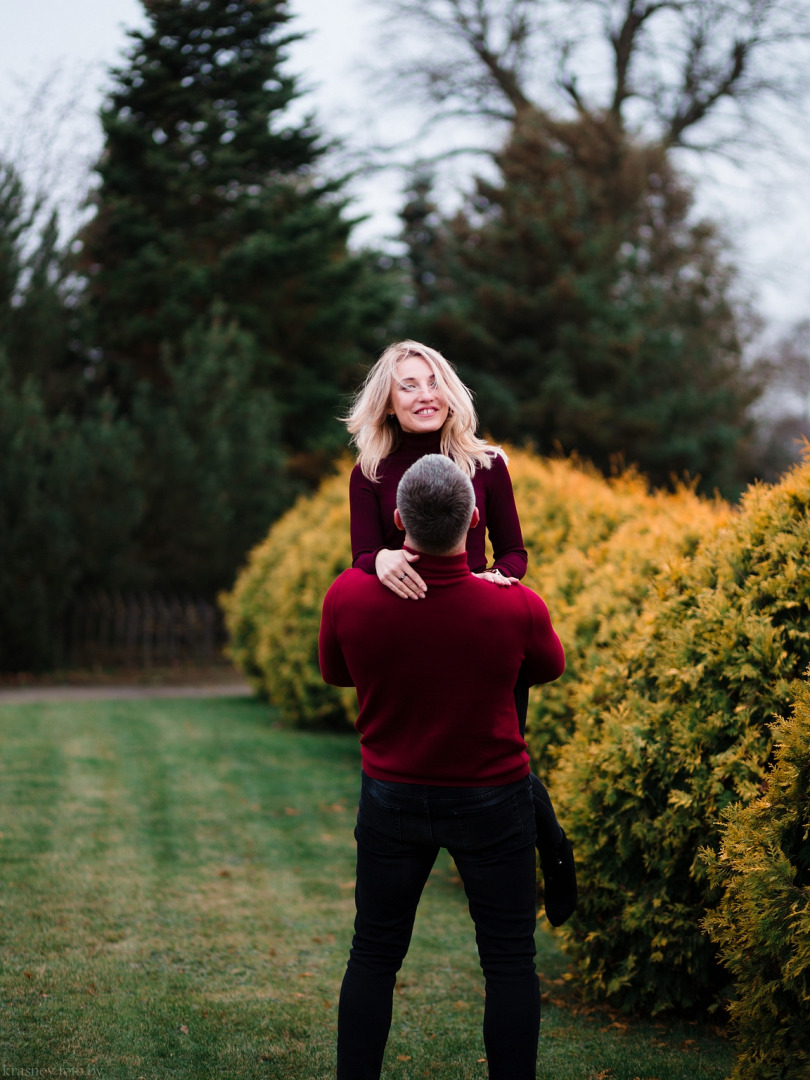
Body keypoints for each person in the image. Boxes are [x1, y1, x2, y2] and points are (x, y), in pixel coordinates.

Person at [319, 454, 566, 1080]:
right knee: (509, 960)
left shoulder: (347, 597)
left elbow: (336, 672)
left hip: (391, 798)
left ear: (397, 519)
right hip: (494, 802)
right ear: (475, 517)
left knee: (373, 954)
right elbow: (548, 667)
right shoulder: (517, 608)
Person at [344, 339, 576, 926]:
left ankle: (551, 849)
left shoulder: (488, 464)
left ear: (450, 391)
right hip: (415, 640)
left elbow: (515, 552)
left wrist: (497, 583)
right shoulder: (369, 472)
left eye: (433, 382)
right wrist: (379, 563)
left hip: (479, 631)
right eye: (408, 386)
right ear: (388, 404)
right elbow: (362, 553)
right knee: (436, 758)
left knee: (501, 754)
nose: (425, 395)